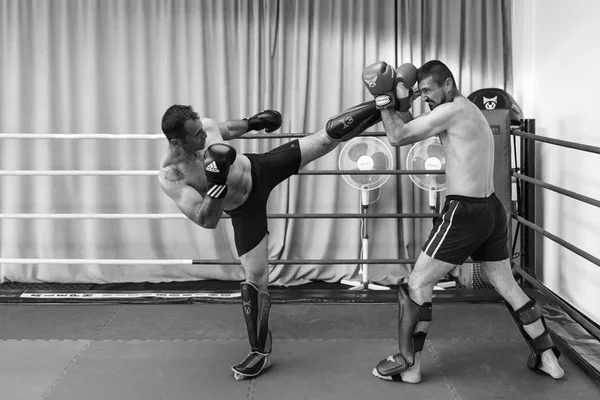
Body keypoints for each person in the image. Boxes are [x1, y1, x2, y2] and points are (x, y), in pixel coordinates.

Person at [361, 60, 564, 383]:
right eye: (421, 90)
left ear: (448, 85)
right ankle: (548, 357)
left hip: (465, 213)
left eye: (428, 90)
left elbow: (398, 136)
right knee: (507, 285)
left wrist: (383, 100)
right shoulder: (467, 111)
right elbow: (414, 124)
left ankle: (409, 365)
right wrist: (404, 99)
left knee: (417, 283)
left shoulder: (451, 111)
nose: (425, 96)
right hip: (491, 210)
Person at [157, 103, 381, 380]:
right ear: (177, 142)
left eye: (203, 130)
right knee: (255, 279)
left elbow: (226, 128)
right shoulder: (172, 175)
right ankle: (260, 353)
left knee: (324, 138)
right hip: (243, 210)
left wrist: (253, 122)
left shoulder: (206, 128)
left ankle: (381, 106)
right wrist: (217, 185)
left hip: (260, 168)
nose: (204, 137)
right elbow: (207, 220)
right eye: (197, 136)